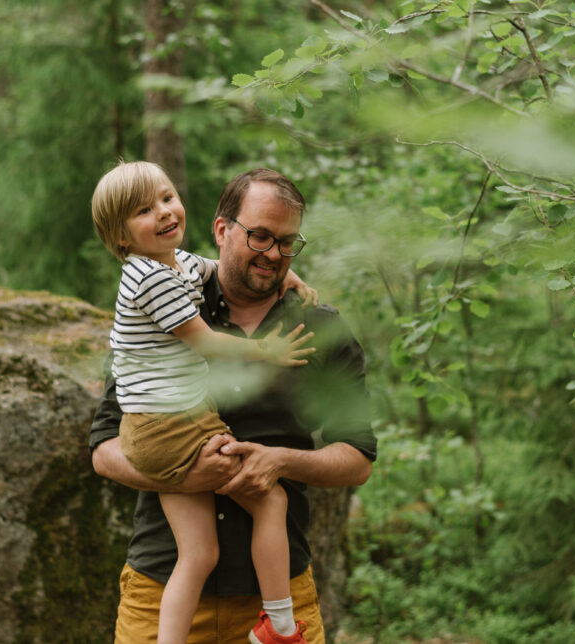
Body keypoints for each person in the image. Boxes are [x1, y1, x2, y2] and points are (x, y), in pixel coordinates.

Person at [89, 168, 378, 644]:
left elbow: (358, 460)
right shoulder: (164, 306)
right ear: (222, 230)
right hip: (160, 595)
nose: (273, 254)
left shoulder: (322, 330)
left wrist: (280, 461)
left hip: (278, 595)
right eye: (260, 236)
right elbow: (104, 449)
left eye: (286, 243)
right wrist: (185, 472)